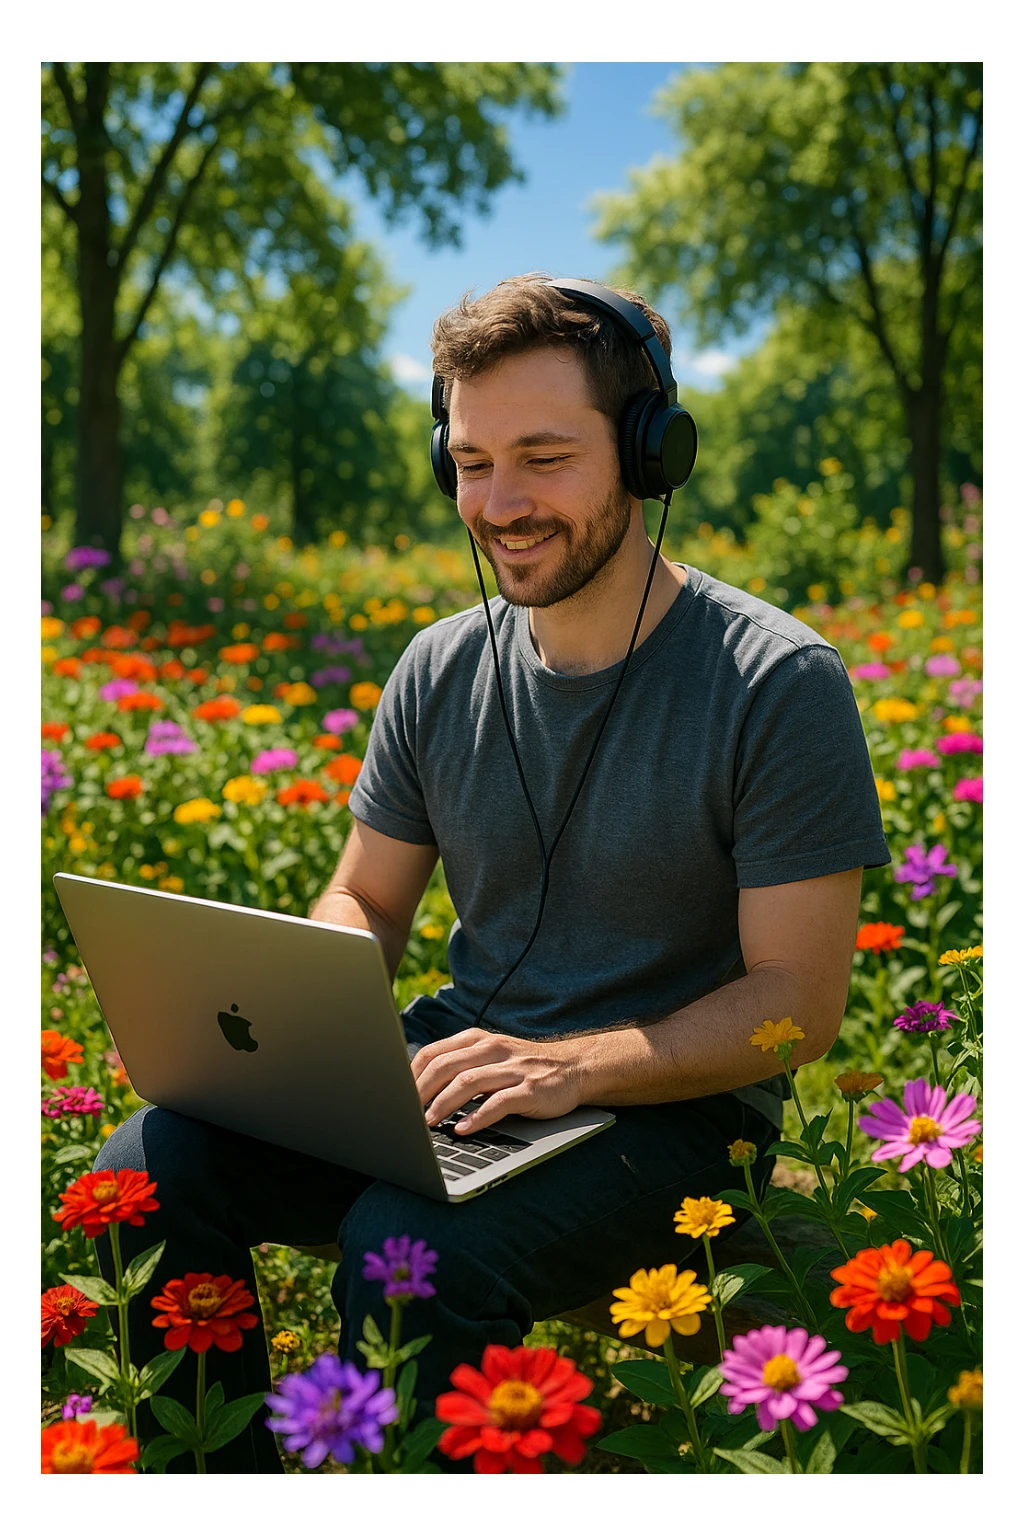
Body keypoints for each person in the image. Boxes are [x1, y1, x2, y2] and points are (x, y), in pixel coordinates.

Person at [93, 274, 890, 1473]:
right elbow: (367, 896)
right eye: (470, 462)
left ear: (650, 452)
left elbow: (798, 1002)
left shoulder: (776, 683)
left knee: (408, 1249)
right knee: (145, 1170)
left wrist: (572, 1066)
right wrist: (292, 1017)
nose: (500, 504)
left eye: (544, 458)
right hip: (464, 1071)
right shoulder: (436, 668)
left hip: (673, 1113)